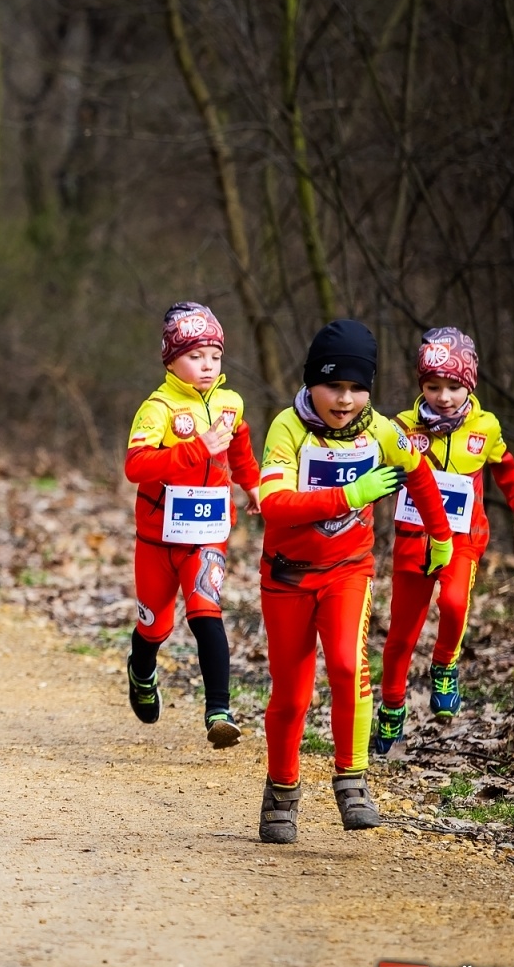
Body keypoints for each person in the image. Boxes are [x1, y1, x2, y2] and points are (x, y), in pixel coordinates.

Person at [254, 320, 452, 844]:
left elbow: (419, 471)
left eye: (356, 387)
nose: (344, 399)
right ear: (310, 383)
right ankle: (281, 791)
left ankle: (352, 778)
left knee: (346, 664)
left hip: (348, 572)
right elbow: (273, 504)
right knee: (292, 695)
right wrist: (351, 493)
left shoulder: (381, 429)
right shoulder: (287, 428)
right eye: (332, 385)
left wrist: (441, 536)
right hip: (287, 576)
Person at [373, 328, 514, 754]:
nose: (443, 397)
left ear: (469, 385)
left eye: (453, 387)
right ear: (421, 386)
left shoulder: (485, 427)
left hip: (465, 537)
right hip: (414, 540)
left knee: (454, 604)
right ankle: (391, 710)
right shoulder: (403, 427)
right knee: (401, 635)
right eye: (433, 387)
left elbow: (506, 472)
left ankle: (445, 665)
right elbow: (372, 466)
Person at [122, 303, 262, 747]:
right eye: (195, 356)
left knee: (206, 613)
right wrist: (194, 449)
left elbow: (239, 448)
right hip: (158, 536)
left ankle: (218, 711)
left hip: (207, 534)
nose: (207, 365)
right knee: (155, 627)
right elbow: (135, 465)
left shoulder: (230, 403)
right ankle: (141, 669)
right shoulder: (158, 407)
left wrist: (253, 485)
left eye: (215, 356)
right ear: (171, 359)